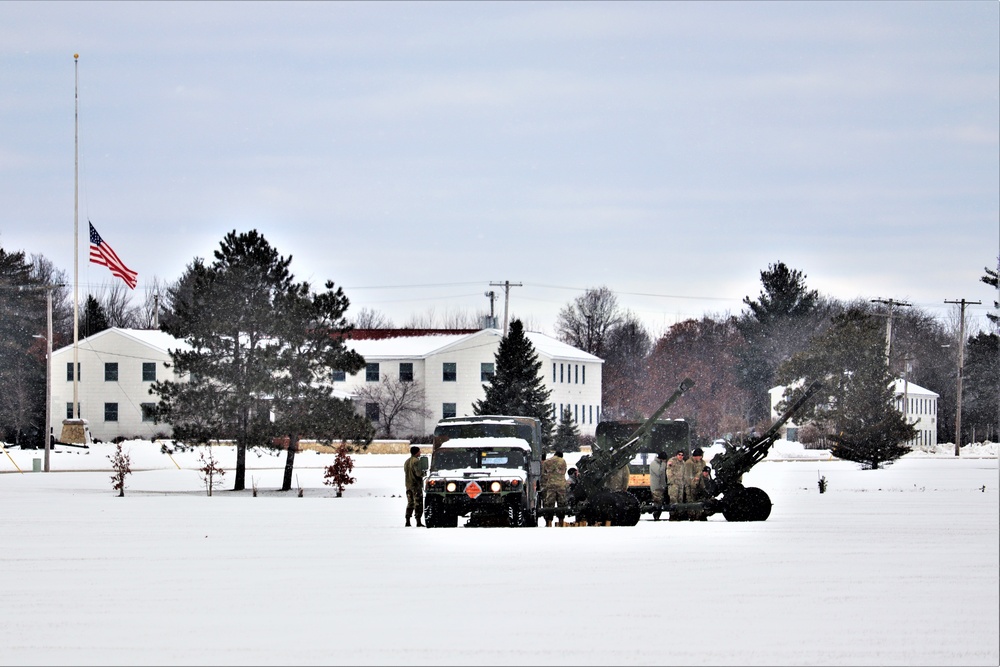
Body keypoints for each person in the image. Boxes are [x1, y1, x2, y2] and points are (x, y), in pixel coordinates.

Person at [540, 450, 568, 526]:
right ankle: (561, 521)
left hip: (550, 486)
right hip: (561, 485)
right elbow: (564, 472)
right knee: (561, 504)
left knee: (549, 505)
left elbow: (543, 475)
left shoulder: (547, 462)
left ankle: (548, 522)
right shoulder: (563, 461)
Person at [403, 445, 425, 527]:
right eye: (419, 451)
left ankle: (407, 520)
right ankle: (418, 521)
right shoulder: (416, 461)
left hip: (408, 485)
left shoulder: (407, 461)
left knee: (410, 503)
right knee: (418, 503)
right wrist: (424, 473)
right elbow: (418, 473)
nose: (420, 452)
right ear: (416, 452)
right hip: (416, 485)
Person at [665, 449, 689, 521]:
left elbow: (684, 473)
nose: (681, 456)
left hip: (680, 484)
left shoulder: (683, 463)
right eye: (679, 455)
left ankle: (679, 514)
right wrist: (672, 481)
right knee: (673, 499)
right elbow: (669, 471)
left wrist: (684, 482)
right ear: (676, 455)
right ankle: (673, 515)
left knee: (680, 499)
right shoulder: (672, 461)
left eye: (682, 455)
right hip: (674, 484)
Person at [648, 451, 668, 521]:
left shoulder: (660, 464)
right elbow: (659, 472)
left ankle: (657, 515)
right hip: (656, 487)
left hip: (661, 487)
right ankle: (656, 516)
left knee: (660, 502)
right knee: (657, 502)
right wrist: (663, 464)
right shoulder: (654, 464)